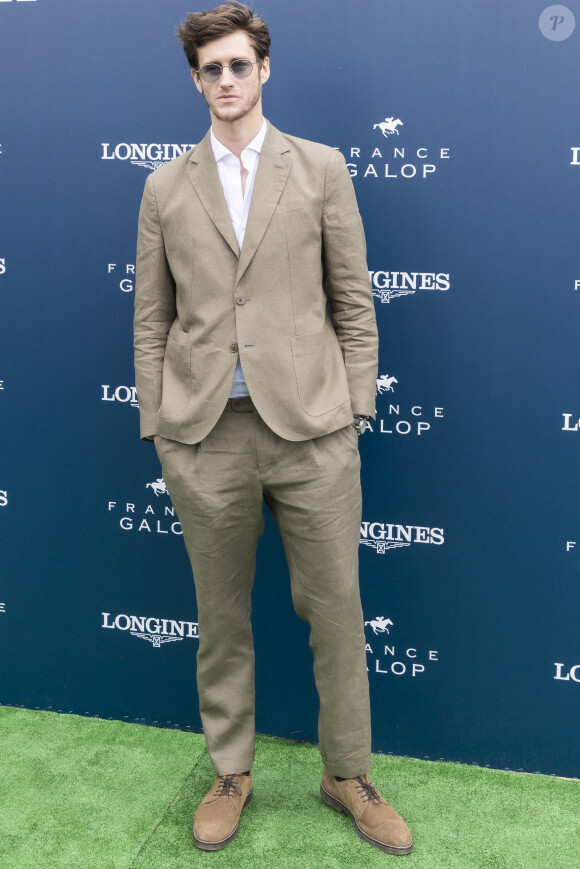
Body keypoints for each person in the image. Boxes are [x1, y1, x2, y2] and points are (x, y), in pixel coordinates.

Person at [134, 1, 413, 855]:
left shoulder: (322, 168)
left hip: (313, 433)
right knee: (220, 618)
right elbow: (152, 318)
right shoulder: (164, 185)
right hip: (205, 435)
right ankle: (231, 770)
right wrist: (162, 423)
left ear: (265, 70)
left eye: (238, 66)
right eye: (210, 69)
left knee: (336, 610)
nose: (225, 80)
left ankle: (348, 772)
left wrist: (355, 406)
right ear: (196, 80)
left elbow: (353, 299)